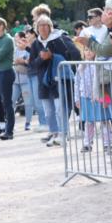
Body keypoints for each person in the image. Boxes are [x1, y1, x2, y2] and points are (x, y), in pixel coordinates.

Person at [28, 17, 79, 147]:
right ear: (37, 28)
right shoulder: (35, 44)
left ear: (51, 27)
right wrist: (41, 58)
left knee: (59, 109)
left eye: (46, 25)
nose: (44, 28)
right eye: (41, 25)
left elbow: (72, 55)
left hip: (59, 81)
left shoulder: (60, 39)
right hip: (43, 83)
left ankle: (63, 134)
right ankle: (54, 133)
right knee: (49, 111)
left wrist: (52, 56)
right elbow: (32, 65)